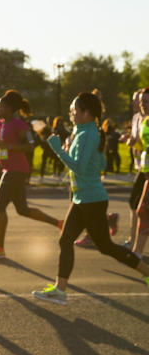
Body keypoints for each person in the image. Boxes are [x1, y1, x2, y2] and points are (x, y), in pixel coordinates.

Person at [32, 92, 149, 305]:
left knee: (106, 247)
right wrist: (74, 149)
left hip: (92, 200)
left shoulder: (89, 134)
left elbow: (78, 166)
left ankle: (147, 272)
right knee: (66, 240)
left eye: (74, 110)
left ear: (86, 113)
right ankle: (60, 290)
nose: (71, 114)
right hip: (81, 198)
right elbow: (101, 165)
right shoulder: (83, 132)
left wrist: (59, 150)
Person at [0, 90, 63, 259]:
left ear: (9, 108)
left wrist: (6, 146)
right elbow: (3, 146)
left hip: (17, 169)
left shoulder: (19, 125)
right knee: (23, 210)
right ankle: (59, 223)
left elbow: (30, 146)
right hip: (8, 168)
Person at [121, 90, 145, 249]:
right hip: (142, 167)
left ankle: (135, 245)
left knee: (138, 205)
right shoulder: (137, 118)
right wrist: (130, 140)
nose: (136, 104)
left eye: (138, 100)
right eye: (137, 101)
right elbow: (139, 142)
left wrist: (135, 144)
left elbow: (143, 144)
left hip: (145, 169)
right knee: (137, 205)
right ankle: (134, 242)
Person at [130, 87, 149, 260]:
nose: (143, 105)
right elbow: (143, 146)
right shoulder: (144, 122)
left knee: (142, 210)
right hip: (145, 174)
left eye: (146, 102)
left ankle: (136, 253)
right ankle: (136, 252)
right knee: (142, 210)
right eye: (142, 101)